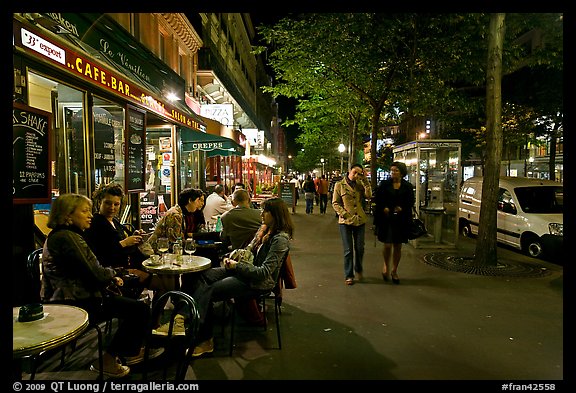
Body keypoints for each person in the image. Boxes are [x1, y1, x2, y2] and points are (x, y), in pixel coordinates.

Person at [41, 193, 162, 378]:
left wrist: (112, 275)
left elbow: (92, 268)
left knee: (133, 298)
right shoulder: (67, 237)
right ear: (67, 215)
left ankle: (134, 348)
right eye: (84, 211)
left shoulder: (68, 235)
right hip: (74, 301)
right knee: (139, 309)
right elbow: (96, 273)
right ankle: (111, 358)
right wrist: (114, 275)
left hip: (77, 295)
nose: (90, 215)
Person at [186, 197, 294, 357]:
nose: (261, 213)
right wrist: (233, 255)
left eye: (265, 210)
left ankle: (204, 338)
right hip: (244, 271)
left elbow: (263, 273)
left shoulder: (280, 239)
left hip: (257, 282)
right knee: (201, 276)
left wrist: (237, 265)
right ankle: (188, 318)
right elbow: (248, 250)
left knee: (209, 289)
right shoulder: (264, 230)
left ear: (275, 214)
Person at [84, 183, 171, 297]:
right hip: (113, 272)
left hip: (127, 266)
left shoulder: (115, 222)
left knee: (166, 280)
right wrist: (125, 243)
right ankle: (154, 314)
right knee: (162, 285)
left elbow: (121, 241)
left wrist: (134, 237)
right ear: (99, 202)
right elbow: (99, 254)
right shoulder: (95, 224)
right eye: (108, 203)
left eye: (116, 204)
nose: (112, 207)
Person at [373, 161, 415, 284]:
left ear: (401, 173)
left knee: (398, 245)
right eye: (392, 170)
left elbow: (410, 201)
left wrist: (401, 207)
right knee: (387, 244)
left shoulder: (407, 186)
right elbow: (378, 199)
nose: (393, 173)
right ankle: (386, 265)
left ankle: (394, 270)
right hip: (387, 219)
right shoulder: (384, 184)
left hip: (401, 219)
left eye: (396, 170)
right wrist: (384, 207)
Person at [332, 164, 372, 285]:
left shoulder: (360, 185)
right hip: (345, 221)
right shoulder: (339, 185)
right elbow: (335, 203)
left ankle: (358, 269)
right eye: (354, 172)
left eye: (359, 174)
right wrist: (344, 214)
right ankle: (349, 275)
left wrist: (365, 181)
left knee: (360, 248)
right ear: (349, 171)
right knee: (348, 249)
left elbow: (368, 196)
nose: (356, 175)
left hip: (359, 220)